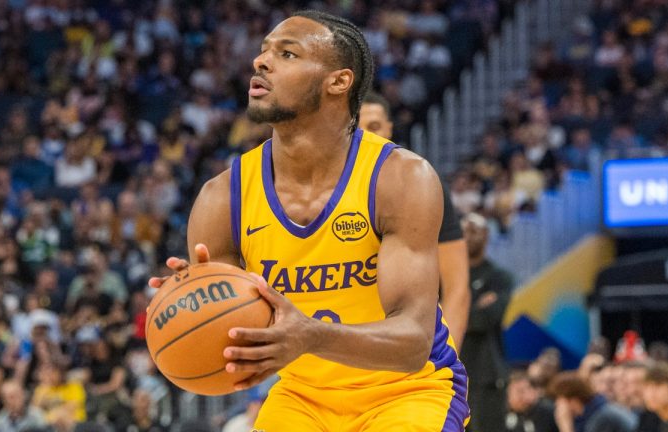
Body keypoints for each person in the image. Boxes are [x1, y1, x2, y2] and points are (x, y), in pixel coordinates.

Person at [148, 10, 469, 432]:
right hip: (302, 398)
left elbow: (412, 343)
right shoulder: (221, 199)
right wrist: (190, 298)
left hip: (408, 391)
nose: (260, 62)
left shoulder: (399, 178)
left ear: (339, 81)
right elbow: (230, 345)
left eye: (287, 53)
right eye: (262, 52)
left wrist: (311, 336)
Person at [359, 91, 470, 350]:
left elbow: (456, 286)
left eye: (374, 126)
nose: (366, 136)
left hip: (412, 351)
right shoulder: (323, 190)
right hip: (345, 351)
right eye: (356, 126)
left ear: (389, 129)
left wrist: (446, 357)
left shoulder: (421, 184)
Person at [459, 212, 513, 432]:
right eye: (463, 231)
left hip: (487, 374)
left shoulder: (499, 277)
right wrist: (476, 306)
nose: (468, 237)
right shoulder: (446, 276)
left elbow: (485, 320)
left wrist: (457, 308)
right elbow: (438, 317)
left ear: (486, 234)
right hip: (451, 371)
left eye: (474, 230)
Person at [548, 371, 636, 432]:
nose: (557, 404)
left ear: (572, 399)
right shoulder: (589, 414)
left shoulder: (603, 416)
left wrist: (565, 426)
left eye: (559, 399)